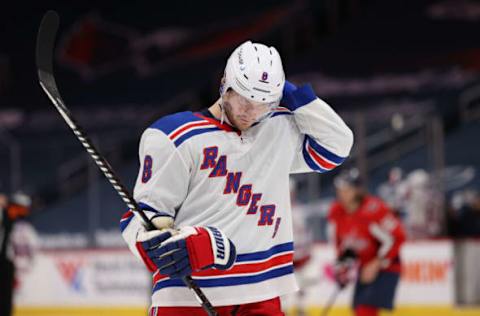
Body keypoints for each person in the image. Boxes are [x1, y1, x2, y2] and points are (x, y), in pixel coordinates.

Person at [120, 40, 353, 315]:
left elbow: (337, 146)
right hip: (187, 299)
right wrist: (163, 242)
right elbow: (143, 216)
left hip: (263, 295)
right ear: (224, 85)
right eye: (244, 98)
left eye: (263, 104)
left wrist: (287, 92)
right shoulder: (175, 136)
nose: (251, 112)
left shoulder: (276, 129)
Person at [328, 169, 405, 316]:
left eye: (347, 189)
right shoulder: (337, 211)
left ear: (357, 190)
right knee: (358, 308)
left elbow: (398, 237)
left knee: (365, 309)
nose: (342, 193)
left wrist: (376, 263)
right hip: (365, 267)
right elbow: (341, 243)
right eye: (340, 189)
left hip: (387, 265)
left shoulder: (374, 210)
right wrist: (343, 265)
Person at [0, 192, 33, 316]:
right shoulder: (5, 215)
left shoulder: (15, 220)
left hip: (8, 263)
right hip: (3, 261)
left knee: (6, 297)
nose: (25, 212)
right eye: (23, 208)